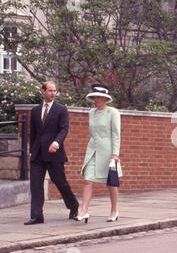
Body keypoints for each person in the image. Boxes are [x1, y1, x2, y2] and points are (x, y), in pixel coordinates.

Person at [25, 81, 79, 225]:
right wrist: (31, 151)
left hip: (54, 153)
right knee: (35, 184)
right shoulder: (35, 110)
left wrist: (56, 143)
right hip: (37, 154)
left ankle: (74, 205)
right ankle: (37, 216)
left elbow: (64, 129)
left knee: (60, 182)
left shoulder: (61, 109)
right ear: (42, 91)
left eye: (55, 91)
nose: (53, 93)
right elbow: (33, 133)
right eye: (50, 91)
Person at [77, 84, 122, 223]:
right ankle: (84, 210)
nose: (96, 99)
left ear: (105, 98)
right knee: (87, 180)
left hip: (108, 151)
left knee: (111, 183)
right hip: (92, 150)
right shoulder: (91, 113)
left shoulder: (113, 112)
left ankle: (114, 210)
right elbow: (92, 133)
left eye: (99, 97)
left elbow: (116, 134)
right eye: (95, 97)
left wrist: (115, 154)